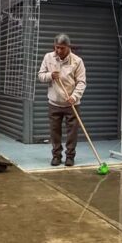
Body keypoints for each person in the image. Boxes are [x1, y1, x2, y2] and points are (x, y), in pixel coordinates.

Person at [36, 34, 87, 167]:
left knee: (72, 133)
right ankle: (56, 156)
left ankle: (70, 156)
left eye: (62, 48)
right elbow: (40, 76)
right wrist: (50, 75)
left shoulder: (77, 61)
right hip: (54, 102)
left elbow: (81, 82)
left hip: (71, 103)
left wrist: (74, 96)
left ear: (68, 47)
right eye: (56, 48)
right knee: (55, 131)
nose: (58, 51)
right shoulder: (48, 57)